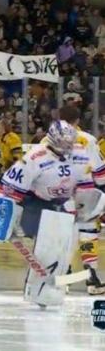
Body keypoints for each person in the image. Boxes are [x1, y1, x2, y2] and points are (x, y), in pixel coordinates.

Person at [0, 120, 104, 306]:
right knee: (47, 248)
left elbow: (86, 185)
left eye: (69, 143)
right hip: (35, 201)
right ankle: (38, 289)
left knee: (61, 250)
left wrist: (85, 210)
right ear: (52, 141)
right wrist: (4, 220)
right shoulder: (35, 157)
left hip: (63, 202)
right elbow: (9, 188)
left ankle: (53, 286)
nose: (67, 148)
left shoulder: (80, 153)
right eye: (62, 144)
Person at [55, 106, 105, 294]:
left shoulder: (47, 139)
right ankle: (91, 279)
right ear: (77, 121)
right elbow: (100, 172)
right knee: (88, 233)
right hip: (85, 192)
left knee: (62, 236)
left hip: (59, 193)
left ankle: (63, 279)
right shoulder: (88, 140)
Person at [0, 119, 22, 184]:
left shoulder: (12, 137)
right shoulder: (1, 138)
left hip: (15, 165)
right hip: (7, 164)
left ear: (3, 127)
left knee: (3, 182)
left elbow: (17, 154)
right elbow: (4, 156)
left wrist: (14, 167)